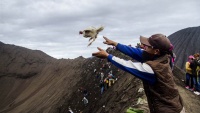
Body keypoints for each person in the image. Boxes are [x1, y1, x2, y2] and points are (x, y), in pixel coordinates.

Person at [92, 34, 184, 113]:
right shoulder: (163, 56)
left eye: (148, 46)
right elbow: (134, 52)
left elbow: (128, 66)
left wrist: (108, 56)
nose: (144, 46)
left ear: (156, 51)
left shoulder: (153, 69)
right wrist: (115, 44)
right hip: (174, 105)